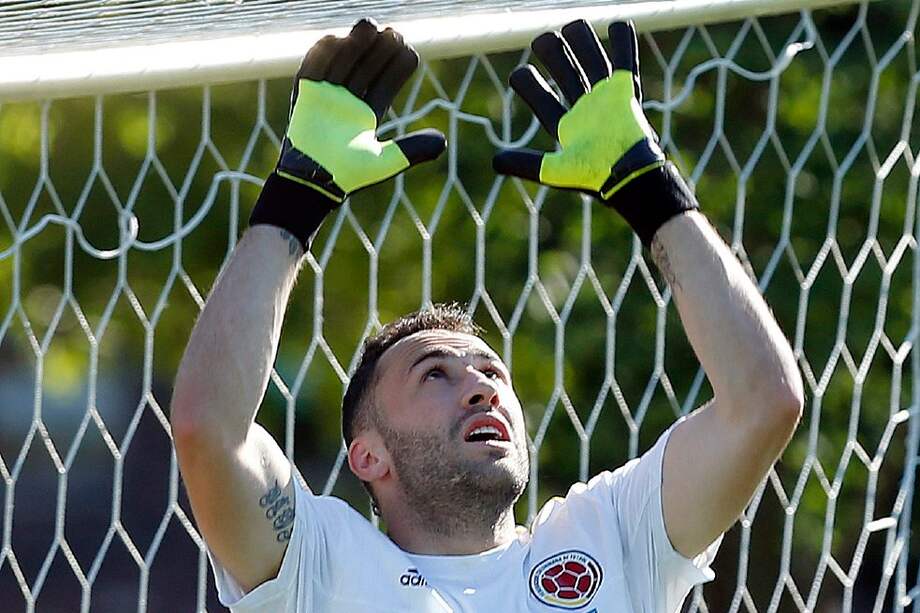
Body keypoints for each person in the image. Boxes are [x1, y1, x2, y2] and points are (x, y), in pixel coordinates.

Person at [170, 17, 804, 613]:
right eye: (434, 374)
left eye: (491, 373)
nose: (481, 388)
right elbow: (209, 430)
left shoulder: (615, 536)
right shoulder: (317, 565)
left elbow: (764, 401)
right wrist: (294, 199)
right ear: (368, 457)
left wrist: (650, 188)